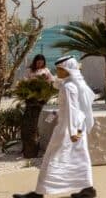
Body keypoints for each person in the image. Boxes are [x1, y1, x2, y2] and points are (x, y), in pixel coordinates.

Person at [14, 56, 97, 198]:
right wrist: (55, 114)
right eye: (57, 68)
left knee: (51, 158)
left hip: (68, 130)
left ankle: (39, 193)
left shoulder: (69, 86)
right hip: (76, 128)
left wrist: (71, 132)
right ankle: (88, 189)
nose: (57, 71)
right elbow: (71, 108)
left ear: (68, 70)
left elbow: (72, 110)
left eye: (60, 69)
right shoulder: (72, 84)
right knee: (80, 158)